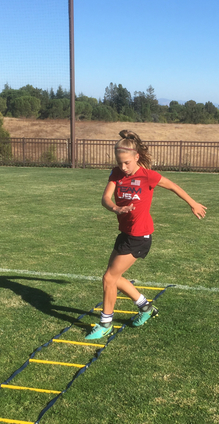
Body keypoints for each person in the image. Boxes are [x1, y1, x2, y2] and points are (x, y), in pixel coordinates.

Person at [86, 130, 207, 340]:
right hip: (125, 234)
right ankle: (146, 308)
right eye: (119, 163)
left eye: (126, 163)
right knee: (115, 278)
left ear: (136, 157)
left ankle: (105, 323)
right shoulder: (116, 174)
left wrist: (193, 203)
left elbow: (172, 186)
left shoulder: (148, 176)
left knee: (109, 278)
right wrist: (115, 208)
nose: (123, 167)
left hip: (139, 236)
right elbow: (105, 198)